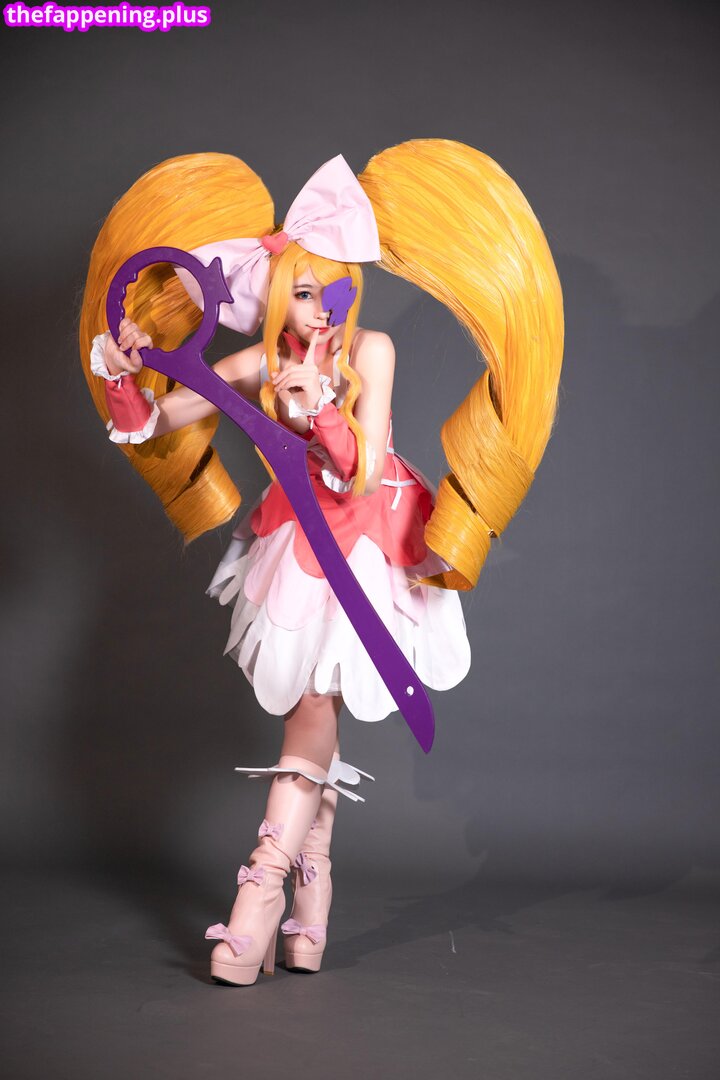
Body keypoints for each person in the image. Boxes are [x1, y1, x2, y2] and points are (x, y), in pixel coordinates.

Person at [80, 142, 564, 986]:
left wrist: (322, 414)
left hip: (369, 539)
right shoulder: (259, 364)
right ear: (279, 296)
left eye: (333, 290)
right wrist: (127, 373)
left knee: (311, 709)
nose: (322, 309)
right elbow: (155, 422)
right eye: (303, 292)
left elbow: (363, 469)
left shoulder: (370, 351)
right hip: (298, 544)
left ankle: (261, 895)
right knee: (318, 710)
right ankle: (312, 905)